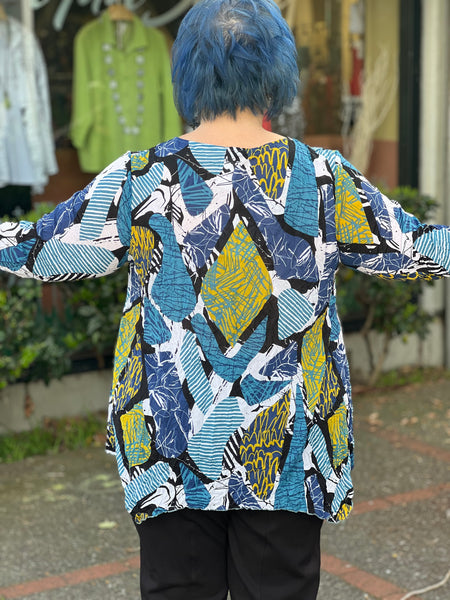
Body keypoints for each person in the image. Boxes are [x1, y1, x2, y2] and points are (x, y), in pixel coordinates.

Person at [1, 0, 449, 598]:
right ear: (278, 73)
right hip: (287, 446)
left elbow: (40, 250)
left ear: (186, 72)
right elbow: (422, 249)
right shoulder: (321, 177)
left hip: (170, 441)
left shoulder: (143, 177)